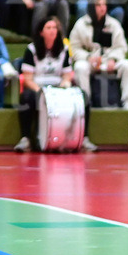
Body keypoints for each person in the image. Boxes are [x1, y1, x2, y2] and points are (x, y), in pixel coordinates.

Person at [16, 17, 87, 153]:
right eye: (48, 28)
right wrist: (41, 92)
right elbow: (27, 78)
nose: (52, 31)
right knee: (26, 97)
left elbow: (67, 75)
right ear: (41, 32)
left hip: (58, 88)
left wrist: (64, 84)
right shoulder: (31, 49)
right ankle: (25, 138)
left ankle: (84, 138)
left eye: (54, 28)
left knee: (83, 96)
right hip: (38, 86)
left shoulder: (64, 49)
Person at [69, 0, 128, 116]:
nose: (102, 8)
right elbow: (74, 48)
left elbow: (121, 47)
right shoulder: (80, 24)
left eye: (104, 5)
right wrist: (88, 58)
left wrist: (113, 59)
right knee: (80, 67)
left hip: (108, 62)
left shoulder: (114, 24)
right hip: (90, 62)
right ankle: (86, 104)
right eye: (98, 5)